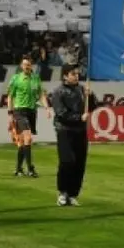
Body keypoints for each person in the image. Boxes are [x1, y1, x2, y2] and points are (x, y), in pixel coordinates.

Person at [51, 64, 101, 206]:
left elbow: (92, 106)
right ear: (65, 75)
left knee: (80, 164)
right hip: (65, 130)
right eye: (73, 74)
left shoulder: (81, 89)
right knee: (67, 161)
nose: (76, 76)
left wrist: (90, 96)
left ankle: (73, 194)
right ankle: (63, 192)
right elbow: (61, 113)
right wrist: (79, 117)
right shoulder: (58, 92)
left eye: (77, 74)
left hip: (80, 131)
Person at [7, 56, 52, 177]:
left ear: (31, 66)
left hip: (32, 111)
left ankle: (18, 169)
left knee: (22, 142)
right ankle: (30, 169)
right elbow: (10, 97)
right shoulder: (16, 79)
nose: (27, 67)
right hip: (19, 111)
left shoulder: (36, 78)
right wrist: (10, 114)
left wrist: (47, 108)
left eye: (29, 64)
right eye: (25, 64)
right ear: (21, 66)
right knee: (28, 137)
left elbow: (41, 95)